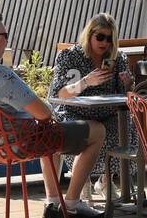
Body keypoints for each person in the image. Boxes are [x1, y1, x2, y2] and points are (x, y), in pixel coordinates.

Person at [0, 13, 106, 218]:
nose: (7, 40)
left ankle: (53, 204)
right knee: (96, 130)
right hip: (17, 143)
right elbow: (44, 112)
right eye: (5, 35)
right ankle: (71, 204)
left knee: (46, 130)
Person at [50, 13, 137, 196]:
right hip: (75, 112)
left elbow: (125, 92)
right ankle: (82, 183)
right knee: (87, 131)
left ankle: (106, 180)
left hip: (107, 114)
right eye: (100, 37)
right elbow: (60, 92)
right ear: (89, 35)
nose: (104, 43)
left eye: (109, 38)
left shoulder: (117, 58)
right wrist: (86, 82)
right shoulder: (70, 56)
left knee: (126, 127)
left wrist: (128, 83)